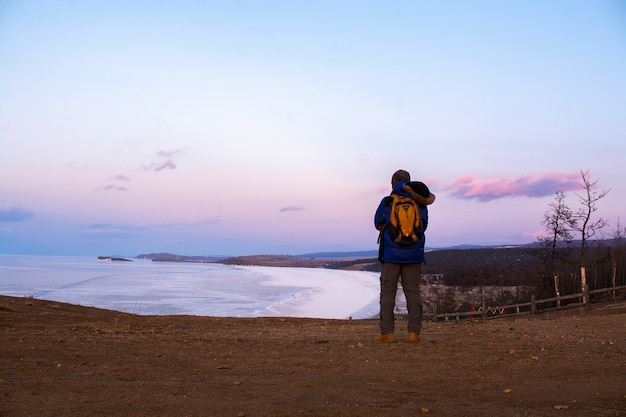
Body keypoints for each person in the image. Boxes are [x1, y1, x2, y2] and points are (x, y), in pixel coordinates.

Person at [373, 169, 435, 343]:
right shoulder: (420, 202)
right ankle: (414, 333)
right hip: (414, 255)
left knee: (387, 293)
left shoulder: (387, 201)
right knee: (413, 292)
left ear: (392, 184)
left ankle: (387, 332)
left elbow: (377, 223)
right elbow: (424, 226)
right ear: (409, 182)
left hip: (391, 255)